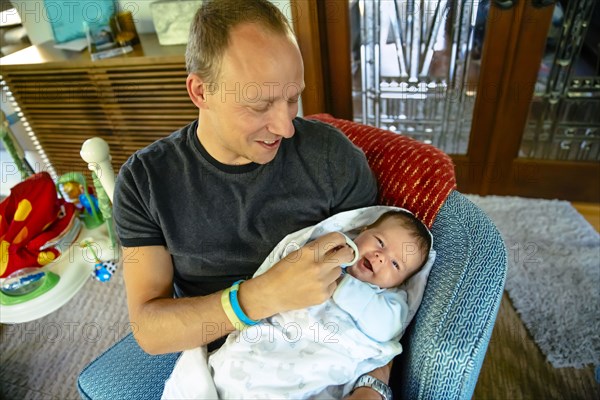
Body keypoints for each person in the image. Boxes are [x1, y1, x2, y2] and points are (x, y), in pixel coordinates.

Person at [112, 0, 393, 398]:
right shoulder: (145, 182)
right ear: (200, 91)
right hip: (225, 368)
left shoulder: (333, 158)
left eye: (293, 98)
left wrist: (372, 384)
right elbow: (151, 330)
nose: (286, 127)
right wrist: (262, 296)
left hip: (326, 354)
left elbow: (384, 287)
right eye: (260, 104)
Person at [161, 208, 434, 399]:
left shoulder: (389, 301)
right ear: (361, 230)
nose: (381, 257)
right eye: (379, 242)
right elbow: (283, 272)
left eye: (396, 264)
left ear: (400, 283)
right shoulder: (325, 251)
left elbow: (385, 327)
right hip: (268, 343)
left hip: (318, 364)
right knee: (230, 370)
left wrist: (344, 285)